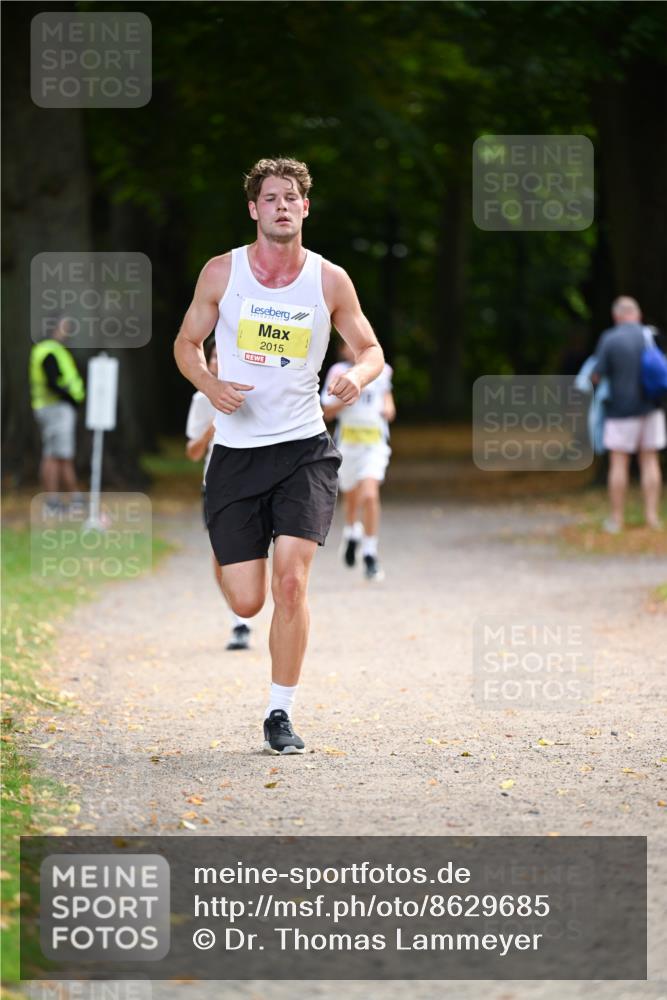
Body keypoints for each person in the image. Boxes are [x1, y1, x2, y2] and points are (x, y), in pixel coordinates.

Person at [174, 157, 384, 755]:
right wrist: (210, 388)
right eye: (271, 198)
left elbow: (369, 349)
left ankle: (279, 713)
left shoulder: (329, 280)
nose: (282, 206)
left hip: (303, 449)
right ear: (253, 208)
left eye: (292, 197)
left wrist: (358, 378)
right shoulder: (222, 273)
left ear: (306, 208)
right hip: (237, 453)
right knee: (248, 599)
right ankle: (226, 556)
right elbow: (187, 344)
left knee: (291, 584)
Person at [185, 337, 253, 651]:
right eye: (212, 357)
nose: (215, 362)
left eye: (220, 356)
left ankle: (250, 603)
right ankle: (238, 619)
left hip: (251, 483)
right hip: (216, 485)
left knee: (253, 552)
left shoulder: (249, 393)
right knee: (221, 555)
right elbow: (192, 452)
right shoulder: (201, 400)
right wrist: (212, 428)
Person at [321, 340, 395, 580]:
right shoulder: (338, 373)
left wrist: (387, 408)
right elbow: (327, 412)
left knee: (370, 495)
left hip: (374, 444)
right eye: (348, 346)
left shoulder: (382, 370)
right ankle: (352, 532)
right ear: (342, 350)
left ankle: (370, 553)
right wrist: (349, 396)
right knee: (352, 498)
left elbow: (387, 402)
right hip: (347, 446)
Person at [593, 296, 666, 532]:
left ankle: (616, 519)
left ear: (616, 316)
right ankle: (652, 518)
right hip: (652, 407)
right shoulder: (651, 335)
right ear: (638, 314)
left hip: (620, 410)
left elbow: (597, 375)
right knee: (650, 460)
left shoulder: (610, 339)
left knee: (619, 463)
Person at [29, 318, 85, 510]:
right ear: (53, 327)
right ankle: (58, 499)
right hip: (56, 409)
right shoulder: (50, 351)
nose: (67, 331)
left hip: (52, 408)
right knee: (57, 455)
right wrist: (70, 398)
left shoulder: (48, 350)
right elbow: (52, 381)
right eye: (64, 326)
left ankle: (61, 498)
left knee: (56, 453)